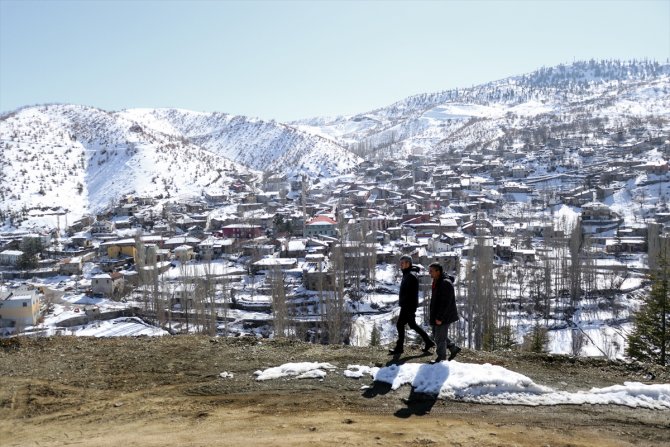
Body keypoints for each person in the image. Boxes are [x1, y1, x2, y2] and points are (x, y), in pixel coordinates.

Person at [389, 255, 435, 356]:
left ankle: (399, 348)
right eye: (400, 262)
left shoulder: (411, 275)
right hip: (408, 305)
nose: (401, 264)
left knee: (400, 324)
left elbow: (411, 293)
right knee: (412, 325)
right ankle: (428, 342)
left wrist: (407, 305)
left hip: (408, 306)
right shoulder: (408, 274)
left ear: (408, 263)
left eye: (403, 263)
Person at [428, 262, 461, 363]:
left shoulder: (445, 283)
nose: (430, 273)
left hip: (444, 316)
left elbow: (445, 303)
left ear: (438, 271)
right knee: (437, 334)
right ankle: (453, 348)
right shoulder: (437, 281)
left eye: (431, 271)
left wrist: (440, 318)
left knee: (440, 338)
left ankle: (441, 359)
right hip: (437, 314)